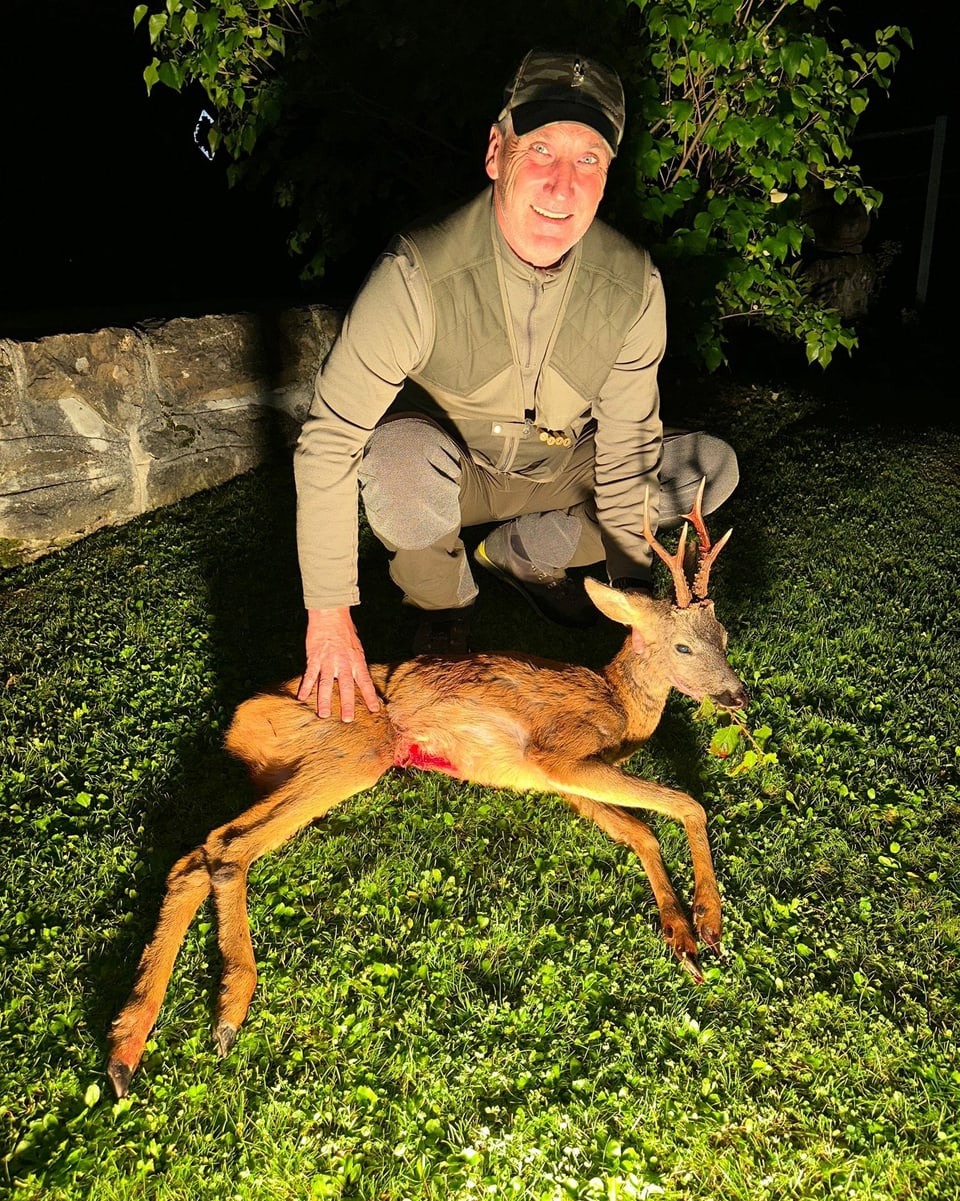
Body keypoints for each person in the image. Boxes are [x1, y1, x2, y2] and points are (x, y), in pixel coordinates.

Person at [294, 48, 739, 721]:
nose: (562, 186)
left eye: (588, 159)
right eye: (542, 151)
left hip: (561, 464)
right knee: (396, 461)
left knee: (709, 469)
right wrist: (328, 614)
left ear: (607, 176)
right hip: (457, 470)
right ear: (496, 153)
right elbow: (329, 440)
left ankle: (525, 552)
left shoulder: (634, 284)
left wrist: (634, 603)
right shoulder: (416, 272)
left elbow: (625, 451)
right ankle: (443, 611)